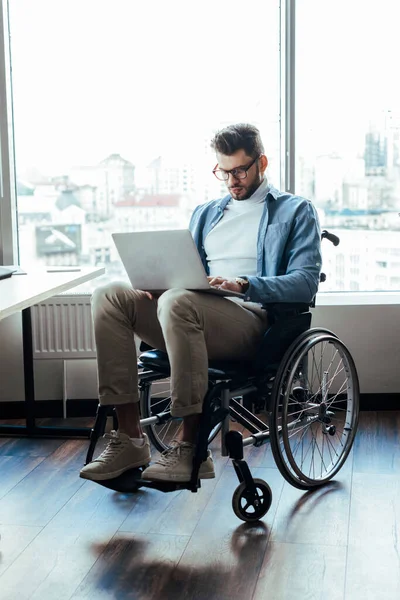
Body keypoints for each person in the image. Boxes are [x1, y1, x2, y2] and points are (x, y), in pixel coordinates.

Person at [80, 123, 322, 484]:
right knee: (109, 295)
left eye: (240, 170)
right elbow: (188, 273)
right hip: (192, 313)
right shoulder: (206, 213)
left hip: (253, 323)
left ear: (262, 163)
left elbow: (304, 283)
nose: (232, 180)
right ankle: (130, 438)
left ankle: (191, 445)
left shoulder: (295, 211)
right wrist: (159, 284)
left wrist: (243, 284)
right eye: (223, 172)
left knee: (179, 301)